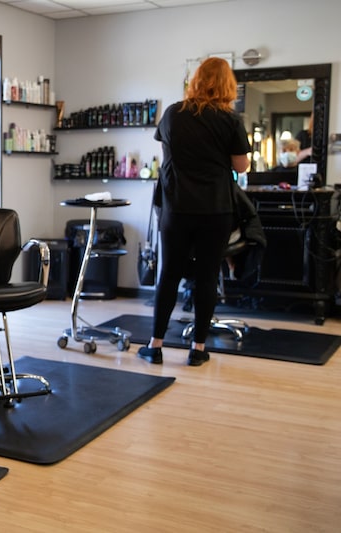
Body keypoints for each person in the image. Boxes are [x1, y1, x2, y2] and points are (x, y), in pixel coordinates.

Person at [138, 57, 251, 367]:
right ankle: (198, 349)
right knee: (206, 277)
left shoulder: (174, 113)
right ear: (228, 85)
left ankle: (155, 345)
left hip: (177, 208)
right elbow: (241, 166)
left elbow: (167, 156)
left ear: (196, 80)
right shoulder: (230, 120)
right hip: (215, 209)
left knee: (169, 275)